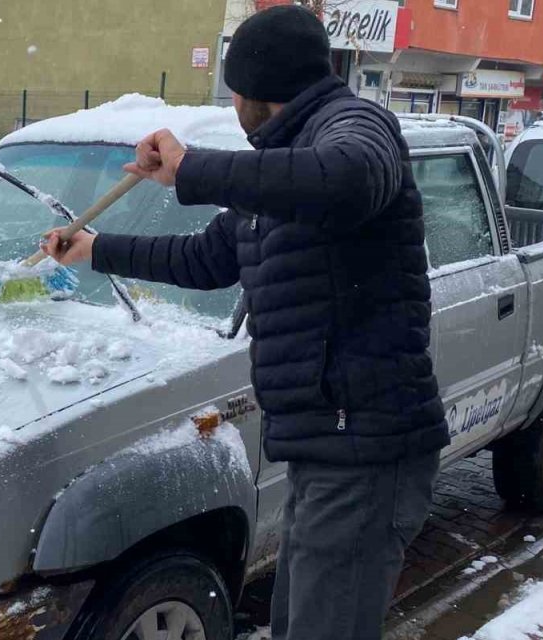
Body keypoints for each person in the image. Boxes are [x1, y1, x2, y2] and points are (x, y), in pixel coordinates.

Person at [42, 6, 449, 640]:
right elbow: (207, 258)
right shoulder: (280, 167)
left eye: (235, 86)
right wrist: (97, 248)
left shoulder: (356, 127)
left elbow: (346, 180)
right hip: (324, 445)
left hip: (365, 446)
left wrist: (193, 167)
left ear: (260, 88)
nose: (232, 100)